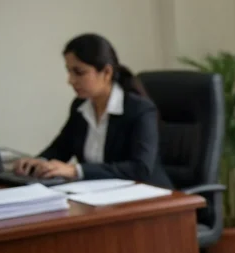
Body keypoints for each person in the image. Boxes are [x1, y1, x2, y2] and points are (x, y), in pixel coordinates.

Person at [13, 34, 170, 186]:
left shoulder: (140, 110)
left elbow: (140, 169)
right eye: (69, 71)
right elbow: (61, 148)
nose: (71, 80)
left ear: (106, 72)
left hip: (150, 198)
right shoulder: (80, 106)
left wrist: (76, 170)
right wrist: (38, 162)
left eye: (79, 72)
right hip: (99, 196)